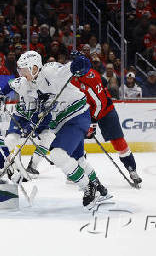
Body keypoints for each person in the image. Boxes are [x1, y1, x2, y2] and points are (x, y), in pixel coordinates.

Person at [11, 51, 109, 209]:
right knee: (78, 160)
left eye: (24, 69)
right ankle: (99, 187)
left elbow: (76, 67)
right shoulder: (30, 84)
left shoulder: (50, 72)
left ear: (34, 67)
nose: (21, 73)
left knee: (58, 154)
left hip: (76, 116)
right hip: (62, 123)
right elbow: (39, 112)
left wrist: (80, 62)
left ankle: (88, 187)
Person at [70, 51, 142, 186]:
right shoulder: (74, 72)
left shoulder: (91, 78)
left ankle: (132, 169)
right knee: (76, 138)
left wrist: (93, 122)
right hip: (85, 111)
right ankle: (77, 168)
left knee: (118, 141)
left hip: (105, 111)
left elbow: (100, 104)